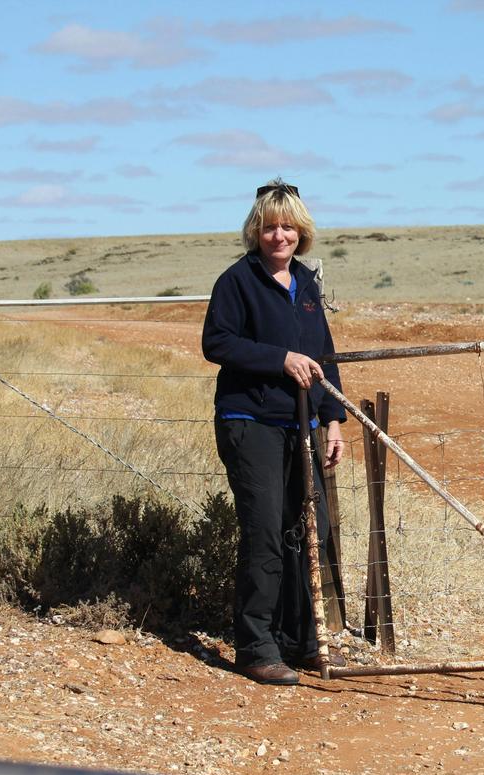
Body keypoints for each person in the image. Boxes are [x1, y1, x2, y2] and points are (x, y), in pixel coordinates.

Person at [202, 179, 348, 685]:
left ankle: (304, 640)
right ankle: (255, 646)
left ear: (301, 231)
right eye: (269, 226)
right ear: (255, 231)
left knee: (310, 530)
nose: (278, 235)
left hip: (302, 423)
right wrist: (279, 359)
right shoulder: (236, 282)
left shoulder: (307, 285)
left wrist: (333, 420)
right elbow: (216, 342)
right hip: (250, 421)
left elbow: (323, 357)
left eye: (288, 226)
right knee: (265, 531)